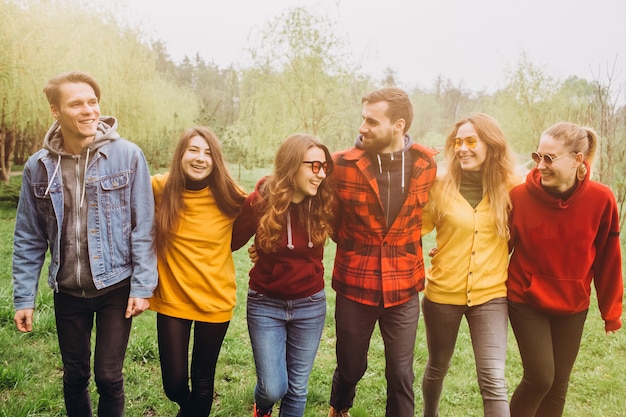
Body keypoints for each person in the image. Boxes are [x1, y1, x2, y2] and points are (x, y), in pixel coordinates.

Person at [12, 71, 157, 416]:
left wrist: (142, 286)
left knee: (108, 376)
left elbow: (144, 226)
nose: (89, 110)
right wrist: (24, 297)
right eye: (77, 103)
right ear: (55, 111)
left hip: (115, 287)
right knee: (75, 376)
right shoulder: (38, 166)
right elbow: (29, 236)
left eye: (93, 102)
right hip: (68, 290)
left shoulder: (128, 156)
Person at [328, 87, 438, 417]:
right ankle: (340, 405)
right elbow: (329, 221)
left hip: (403, 286)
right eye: (363, 119)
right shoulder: (341, 165)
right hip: (355, 284)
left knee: (401, 374)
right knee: (351, 366)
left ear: (398, 125)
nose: (362, 127)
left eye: (372, 122)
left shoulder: (424, 164)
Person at [507, 121, 623, 417]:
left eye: (549, 158)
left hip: (573, 302)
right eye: (538, 156)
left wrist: (611, 311)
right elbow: (498, 246)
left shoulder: (602, 199)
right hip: (526, 297)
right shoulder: (518, 197)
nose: (540, 165)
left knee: (558, 385)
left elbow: (608, 258)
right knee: (540, 377)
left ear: (577, 160)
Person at [420, 113, 518, 417]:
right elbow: (412, 230)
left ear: (490, 145)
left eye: (471, 141)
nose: (462, 148)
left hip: (490, 296)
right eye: (458, 141)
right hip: (442, 294)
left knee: (493, 379)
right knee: (438, 365)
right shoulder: (438, 186)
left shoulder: (513, 187)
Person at [232, 133, 334, 417]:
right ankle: (262, 407)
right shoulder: (261, 202)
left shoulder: (323, 203)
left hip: (310, 305)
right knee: (273, 387)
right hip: (266, 304)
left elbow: (353, 237)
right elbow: (228, 241)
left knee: (297, 389)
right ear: (291, 165)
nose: (321, 174)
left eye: (324, 167)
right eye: (314, 166)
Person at [150, 126, 246, 416]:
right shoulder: (158, 188)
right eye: (193, 150)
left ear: (216, 160)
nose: (200, 158)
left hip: (215, 300)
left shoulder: (232, 197)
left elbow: (265, 220)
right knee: (175, 383)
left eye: (208, 153)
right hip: (173, 299)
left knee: (204, 381)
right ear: (180, 154)